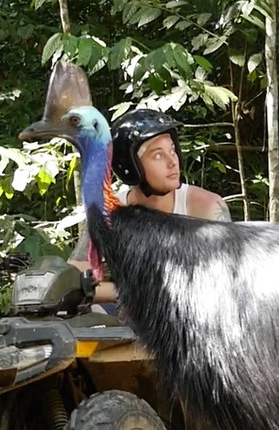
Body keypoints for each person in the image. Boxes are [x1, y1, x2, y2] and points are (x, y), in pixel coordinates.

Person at [68, 108, 231, 305]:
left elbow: (224, 282)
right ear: (130, 165)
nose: (173, 162)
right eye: (158, 155)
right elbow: (73, 278)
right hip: (128, 318)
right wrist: (130, 294)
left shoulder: (206, 208)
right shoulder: (110, 211)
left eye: (172, 150)